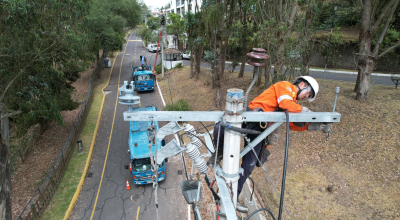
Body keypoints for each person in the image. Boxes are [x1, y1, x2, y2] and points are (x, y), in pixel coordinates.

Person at [207, 76, 331, 213]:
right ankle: (219, 152)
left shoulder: (292, 104)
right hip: (250, 116)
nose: (306, 96)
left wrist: (314, 125)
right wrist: (308, 113)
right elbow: (285, 103)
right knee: (221, 128)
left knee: (249, 165)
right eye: (308, 93)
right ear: (302, 84)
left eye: (309, 96)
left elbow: (292, 123)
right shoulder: (286, 87)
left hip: (260, 129)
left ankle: (233, 196)